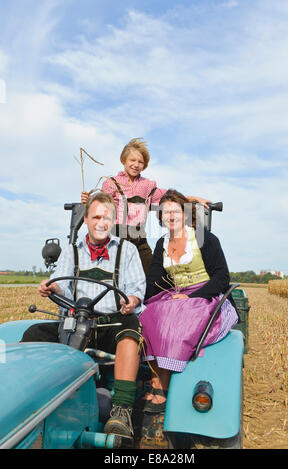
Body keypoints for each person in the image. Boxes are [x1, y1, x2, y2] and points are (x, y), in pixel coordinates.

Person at [21, 192, 146, 439]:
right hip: (76, 323)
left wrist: (131, 301)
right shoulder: (71, 251)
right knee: (33, 333)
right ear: (86, 220)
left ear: (113, 221)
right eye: (96, 216)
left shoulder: (127, 250)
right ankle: (28, 399)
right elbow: (64, 287)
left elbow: (135, 290)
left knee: (131, 329)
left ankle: (121, 410)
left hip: (112, 322)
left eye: (107, 217)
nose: (101, 222)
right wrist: (53, 288)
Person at [137, 189, 239, 413]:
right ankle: (156, 379)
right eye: (165, 212)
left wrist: (191, 296)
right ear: (161, 218)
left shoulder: (204, 238)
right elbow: (154, 280)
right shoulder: (161, 244)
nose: (171, 216)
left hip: (205, 294)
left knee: (179, 316)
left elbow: (222, 277)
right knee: (149, 315)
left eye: (175, 211)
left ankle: (163, 384)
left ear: (184, 214)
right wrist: (139, 302)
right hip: (175, 295)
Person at [81, 138, 211, 276]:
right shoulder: (111, 183)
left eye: (140, 162)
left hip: (139, 237)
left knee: (152, 273)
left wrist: (195, 198)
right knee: (115, 273)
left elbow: (170, 197)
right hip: (116, 236)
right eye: (132, 160)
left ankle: (152, 295)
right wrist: (87, 201)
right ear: (123, 160)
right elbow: (100, 205)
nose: (136, 165)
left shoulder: (147, 186)